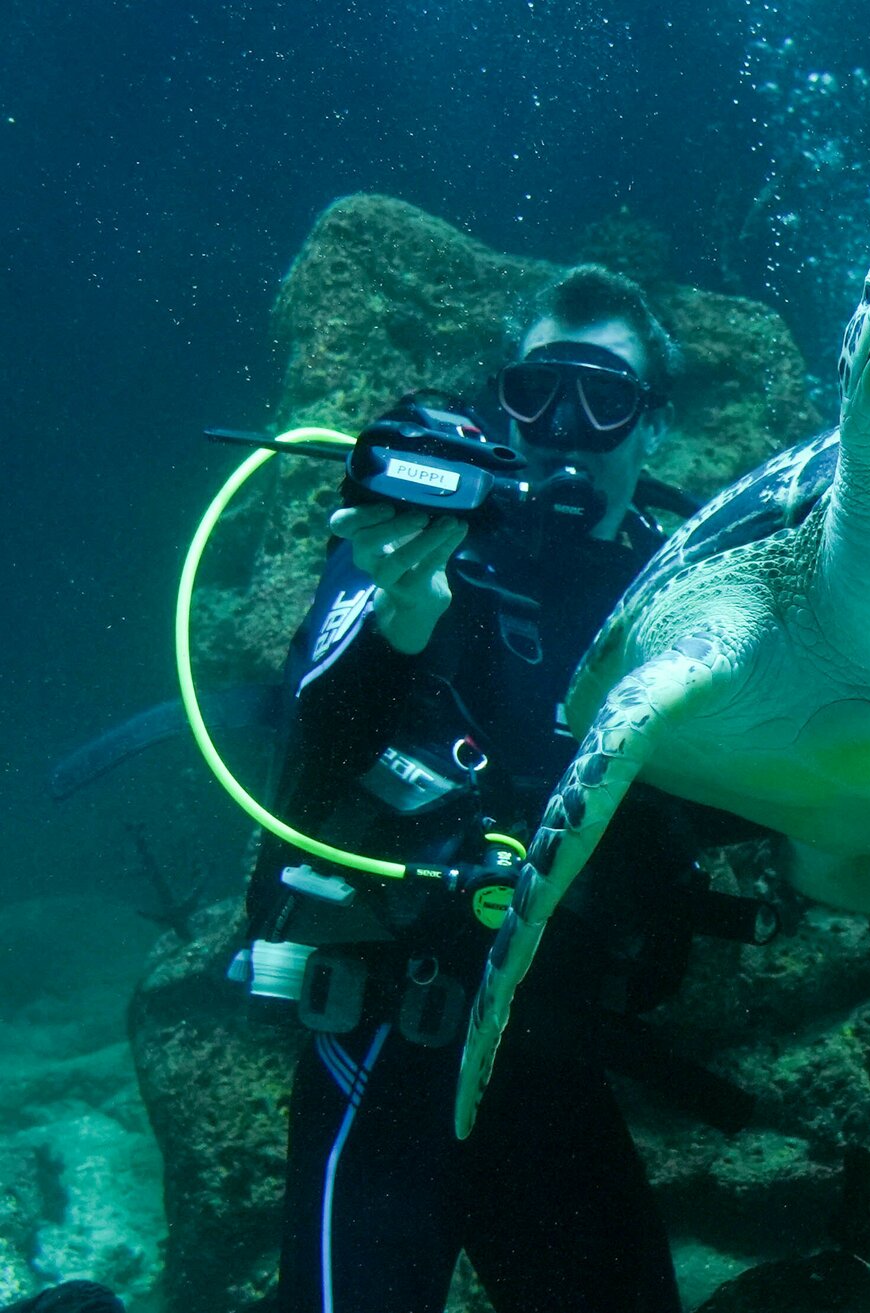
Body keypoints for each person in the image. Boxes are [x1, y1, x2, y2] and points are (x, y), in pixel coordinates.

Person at [242, 265, 768, 1313]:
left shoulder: (681, 583)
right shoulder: (418, 540)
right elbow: (308, 754)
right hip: (394, 1034)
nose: (564, 428)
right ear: (501, 407)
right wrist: (397, 622)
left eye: (603, 397)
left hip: (557, 1055)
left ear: (649, 428)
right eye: (536, 393)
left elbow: (744, 786)